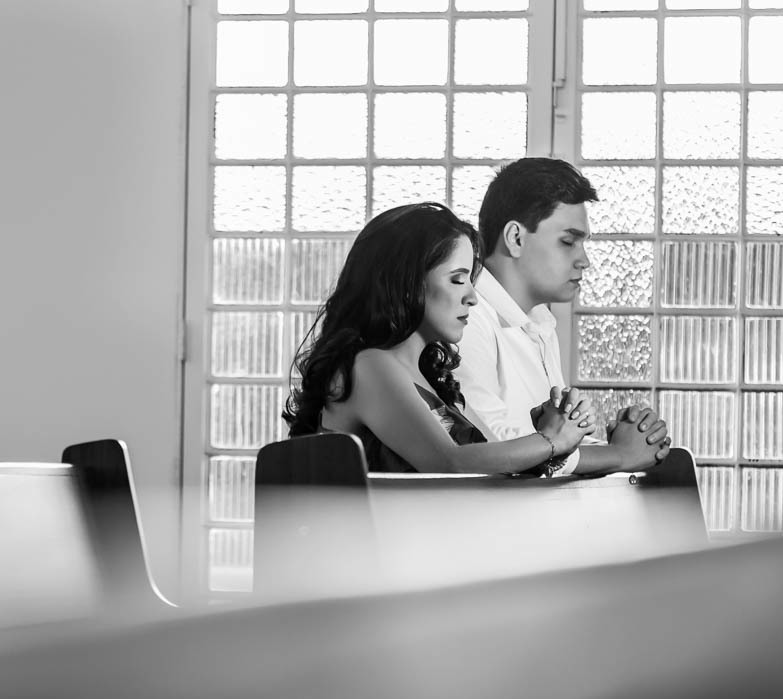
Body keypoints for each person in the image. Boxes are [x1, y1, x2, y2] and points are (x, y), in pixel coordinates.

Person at [284, 202, 593, 475]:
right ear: (407, 284)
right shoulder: (370, 365)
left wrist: (543, 433)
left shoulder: (427, 377)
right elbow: (450, 464)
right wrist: (550, 439)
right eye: (457, 280)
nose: (472, 297)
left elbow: (480, 467)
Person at [454, 158, 670, 476]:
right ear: (515, 238)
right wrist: (618, 456)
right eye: (568, 242)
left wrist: (628, 442)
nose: (584, 261)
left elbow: (552, 443)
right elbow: (489, 447)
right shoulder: (465, 319)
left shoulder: (540, 323)